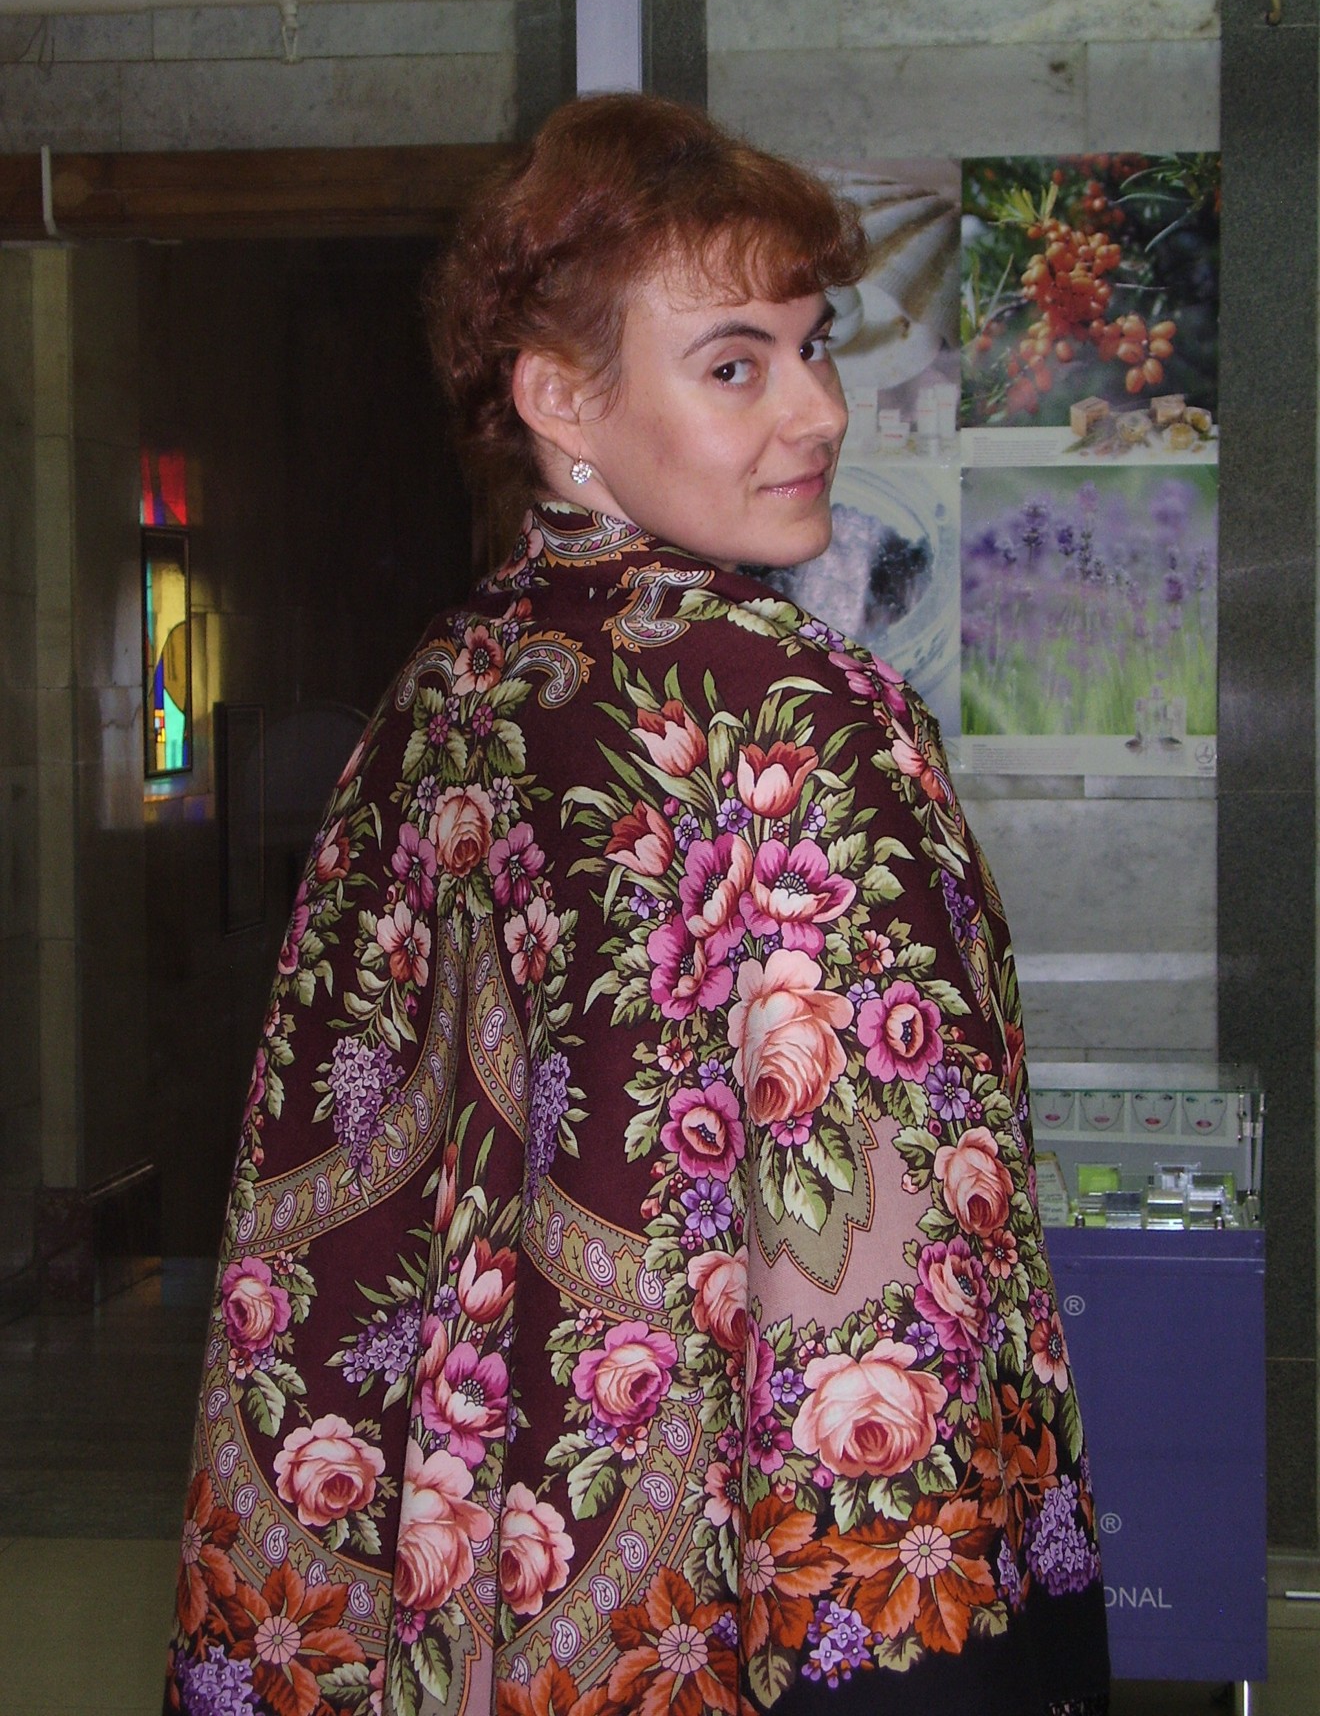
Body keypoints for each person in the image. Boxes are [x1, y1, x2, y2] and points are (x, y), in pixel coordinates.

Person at [163, 94, 1109, 1716]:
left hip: (482, 1556)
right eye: (736, 365)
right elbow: (893, 1248)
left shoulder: (442, 691)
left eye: (814, 347)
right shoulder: (800, 706)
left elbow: (327, 1193)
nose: (817, 410)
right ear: (560, 400)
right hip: (720, 1579)